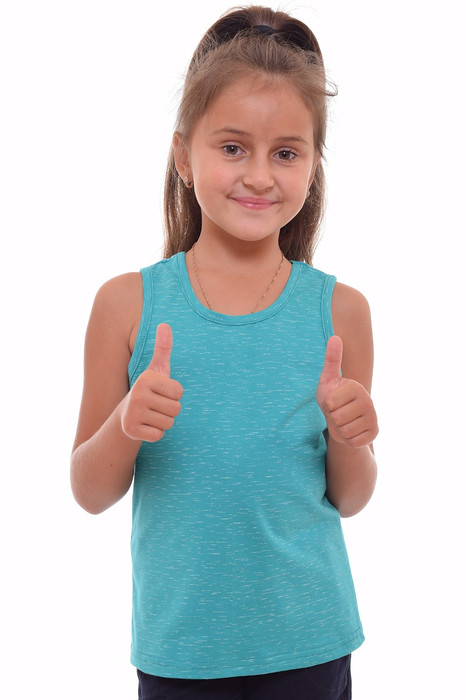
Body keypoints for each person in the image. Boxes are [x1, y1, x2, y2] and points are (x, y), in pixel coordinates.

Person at [71, 5, 378, 699]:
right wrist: (126, 423)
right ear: (184, 156)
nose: (260, 176)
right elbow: (88, 491)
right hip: (182, 652)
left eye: (287, 153)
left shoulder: (342, 312)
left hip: (311, 642)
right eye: (233, 147)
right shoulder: (127, 304)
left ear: (313, 167)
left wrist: (350, 436)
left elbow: (351, 497)